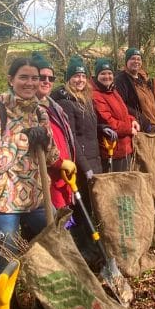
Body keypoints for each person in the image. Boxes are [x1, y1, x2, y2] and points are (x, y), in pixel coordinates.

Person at [0, 57, 59, 309]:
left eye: (35, 78)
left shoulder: (40, 112)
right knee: (10, 259)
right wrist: (23, 139)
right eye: (24, 77)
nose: (31, 83)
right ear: (11, 79)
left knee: (54, 246)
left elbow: (54, 157)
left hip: (37, 200)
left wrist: (46, 140)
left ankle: (44, 303)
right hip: (2, 204)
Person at [51, 55, 103, 270]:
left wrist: (103, 130)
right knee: (80, 210)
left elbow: (89, 131)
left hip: (95, 159)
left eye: (82, 75)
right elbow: (73, 139)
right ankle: (83, 249)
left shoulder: (86, 99)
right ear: (68, 79)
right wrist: (86, 168)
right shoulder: (66, 103)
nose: (80, 80)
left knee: (91, 207)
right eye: (75, 76)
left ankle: (93, 246)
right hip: (80, 167)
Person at [31, 51, 76, 209]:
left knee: (64, 220)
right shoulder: (29, 109)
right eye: (42, 77)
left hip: (64, 176)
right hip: (46, 179)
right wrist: (60, 163)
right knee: (51, 225)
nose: (47, 81)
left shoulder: (55, 106)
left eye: (51, 78)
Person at [91, 57, 140, 172]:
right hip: (112, 149)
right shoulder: (96, 95)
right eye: (103, 73)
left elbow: (123, 113)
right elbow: (108, 121)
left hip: (125, 147)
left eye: (109, 73)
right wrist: (128, 129)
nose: (107, 76)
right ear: (96, 76)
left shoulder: (112, 90)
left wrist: (132, 120)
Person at [114, 47, 155, 133]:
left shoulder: (145, 80)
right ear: (126, 61)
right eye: (132, 59)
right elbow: (122, 106)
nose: (136, 61)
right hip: (139, 129)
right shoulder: (120, 80)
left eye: (138, 59)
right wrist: (144, 122)